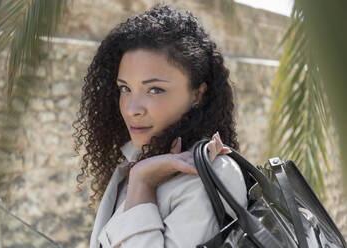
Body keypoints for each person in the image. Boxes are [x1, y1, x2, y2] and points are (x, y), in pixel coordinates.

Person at [72, 3, 248, 248]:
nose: (132, 108)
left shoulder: (214, 175)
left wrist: (142, 184)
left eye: (154, 89)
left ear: (197, 94)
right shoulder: (138, 160)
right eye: (125, 88)